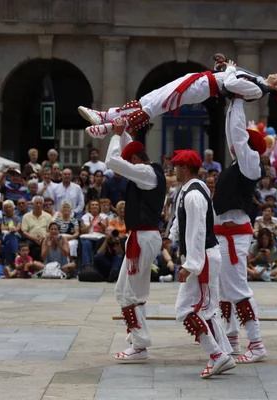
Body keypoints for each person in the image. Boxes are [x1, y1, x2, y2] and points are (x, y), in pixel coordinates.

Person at [81, 58, 277, 138]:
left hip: (204, 86)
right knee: (149, 99)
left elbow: (230, 83)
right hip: (203, 80)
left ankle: (109, 128)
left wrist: (229, 69)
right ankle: (106, 116)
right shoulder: (258, 80)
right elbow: (230, 77)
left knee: (156, 105)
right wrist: (223, 67)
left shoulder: (259, 89)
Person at [169, 149, 235, 378]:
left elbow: (197, 232)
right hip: (206, 255)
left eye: (176, 165)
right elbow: (182, 220)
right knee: (207, 309)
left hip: (202, 257)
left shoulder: (194, 195)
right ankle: (224, 351)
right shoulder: (191, 190)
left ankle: (217, 355)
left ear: (185, 168)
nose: (173, 169)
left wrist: (191, 265)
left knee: (185, 309)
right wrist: (172, 235)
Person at [104, 119, 166, 361]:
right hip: (140, 237)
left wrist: (115, 135)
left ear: (135, 161)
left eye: (129, 164)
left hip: (143, 237)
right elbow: (128, 153)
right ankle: (136, 335)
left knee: (131, 294)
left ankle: (140, 345)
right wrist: (125, 133)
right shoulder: (148, 170)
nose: (126, 170)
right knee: (123, 291)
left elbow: (112, 161)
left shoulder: (146, 172)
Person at [212, 99, 267, 363]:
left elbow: (235, 131)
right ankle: (231, 337)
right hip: (224, 234)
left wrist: (238, 99)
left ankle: (256, 344)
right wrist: (230, 103)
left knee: (238, 290)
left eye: (242, 140)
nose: (235, 141)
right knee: (224, 291)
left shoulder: (250, 164)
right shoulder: (238, 165)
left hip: (234, 236)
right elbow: (230, 130)